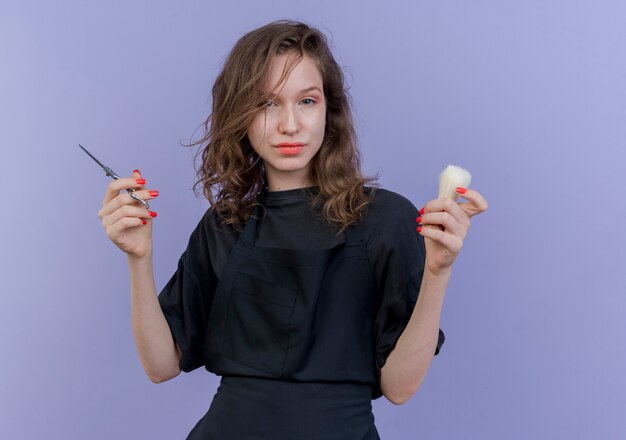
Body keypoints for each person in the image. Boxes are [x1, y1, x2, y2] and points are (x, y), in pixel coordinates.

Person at [97, 20, 487, 439]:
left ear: (329, 111)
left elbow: (399, 388)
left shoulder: (387, 219)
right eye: (267, 104)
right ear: (241, 115)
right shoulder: (224, 226)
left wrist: (437, 274)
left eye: (306, 101)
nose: (289, 124)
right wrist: (139, 259)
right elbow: (161, 366)